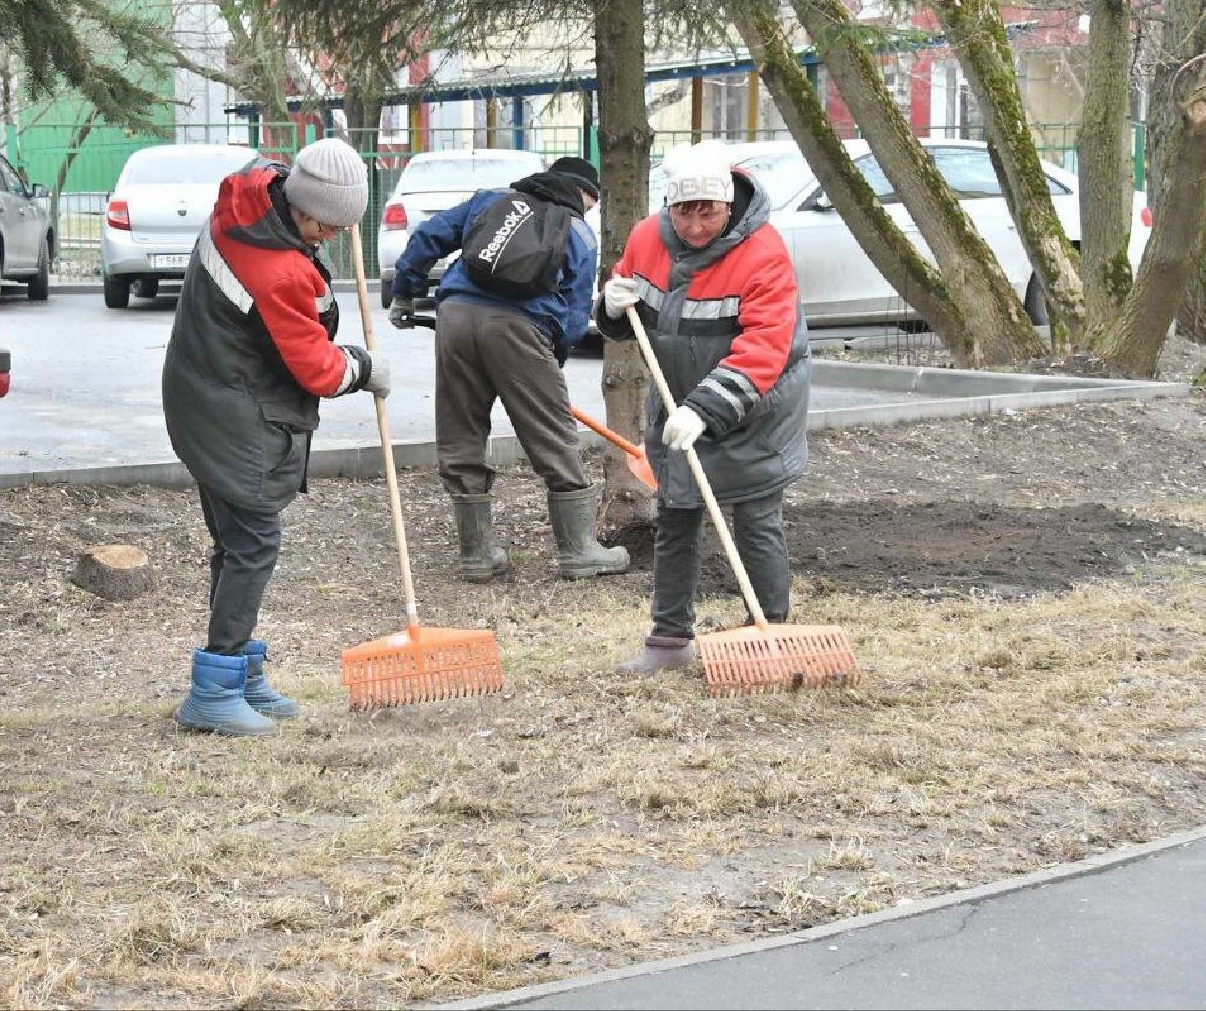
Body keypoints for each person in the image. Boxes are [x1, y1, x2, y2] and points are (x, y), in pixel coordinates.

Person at [162, 137, 391, 736]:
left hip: (203, 392)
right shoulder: (275, 269)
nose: (334, 237)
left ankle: (239, 672)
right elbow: (316, 368)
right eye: (329, 225)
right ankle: (213, 690)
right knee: (253, 543)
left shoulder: (253, 195)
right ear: (304, 208)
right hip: (231, 413)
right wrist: (364, 368)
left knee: (236, 542)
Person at [595, 141, 810, 675]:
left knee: (756, 515)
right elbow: (635, 315)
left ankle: (772, 635)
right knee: (677, 511)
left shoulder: (764, 252)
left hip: (760, 400)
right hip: (676, 394)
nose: (693, 225)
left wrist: (706, 409)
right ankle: (668, 642)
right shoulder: (649, 238)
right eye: (682, 211)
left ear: (727, 203)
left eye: (706, 211)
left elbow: (764, 347)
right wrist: (612, 305)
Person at [387, 156, 628, 582]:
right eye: (590, 203)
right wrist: (551, 365)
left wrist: (405, 294)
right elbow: (574, 316)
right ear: (583, 194)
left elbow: (427, 237)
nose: (588, 210)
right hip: (521, 328)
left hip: (456, 317)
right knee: (551, 434)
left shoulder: (491, 201)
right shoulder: (579, 233)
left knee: (461, 430)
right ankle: (579, 550)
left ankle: (476, 555)